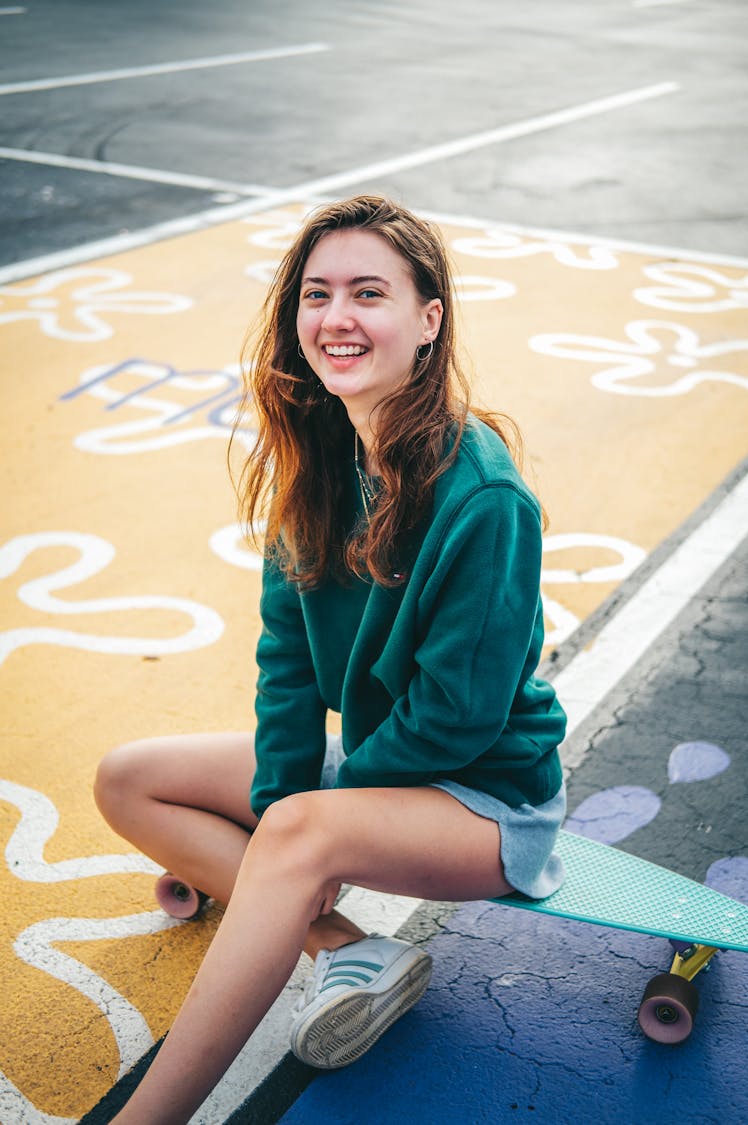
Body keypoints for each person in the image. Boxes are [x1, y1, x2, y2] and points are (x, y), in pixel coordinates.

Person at [94, 194, 567, 1123]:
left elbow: (458, 719)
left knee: (298, 834)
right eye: (317, 294)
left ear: (428, 321)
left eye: (368, 292)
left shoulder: (484, 497)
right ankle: (348, 945)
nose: (336, 317)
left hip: (485, 799)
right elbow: (289, 662)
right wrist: (282, 799)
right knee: (130, 780)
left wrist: (304, 825)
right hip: (382, 768)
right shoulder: (323, 457)